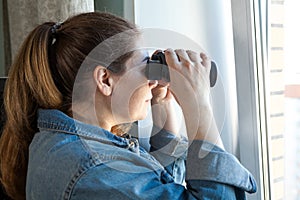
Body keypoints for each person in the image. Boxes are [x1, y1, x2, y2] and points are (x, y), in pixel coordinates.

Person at [0, 12, 256, 200]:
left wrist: (163, 109)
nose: (153, 79)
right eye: (145, 65)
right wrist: (198, 106)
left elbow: (160, 189)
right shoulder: (93, 169)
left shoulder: (71, 142)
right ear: (105, 80)